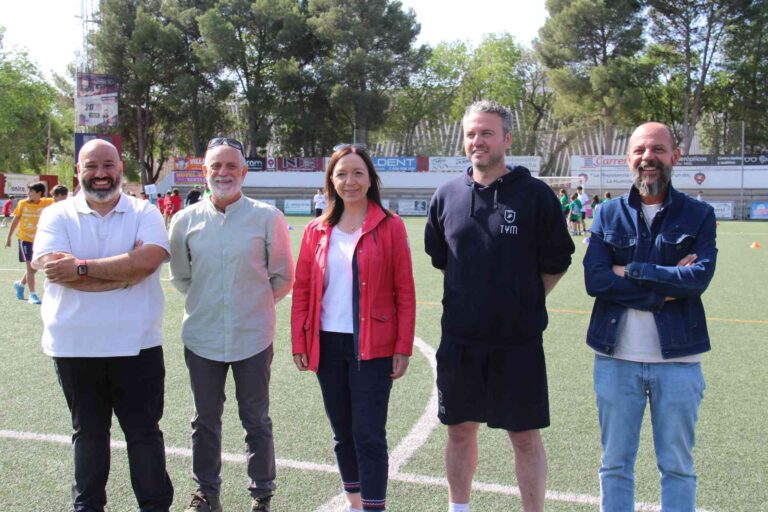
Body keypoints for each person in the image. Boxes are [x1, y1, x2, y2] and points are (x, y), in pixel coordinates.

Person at [424, 100, 574, 512]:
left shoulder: (536, 195)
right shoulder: (446, 195)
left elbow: (556, 262)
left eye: (487, 133)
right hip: (460, 340)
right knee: (459, 431)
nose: (478, 141)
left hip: (518, 342)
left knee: (524, 437)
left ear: (507, 139)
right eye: (471, 134)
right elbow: (443, 259)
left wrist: (522, 300)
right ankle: (459, 508)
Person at [31, 139, 174, 512]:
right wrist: (126, 273)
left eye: (108, 165)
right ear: (77, 170)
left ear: (120, 168)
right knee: (89, 434)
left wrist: (81, 267)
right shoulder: (56, 214)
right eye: (91, 166)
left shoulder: (144, 211)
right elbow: (55, 270)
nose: (100, 174)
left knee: (144, 434)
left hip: (137, 344)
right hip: (74, 346)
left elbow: (149, 261)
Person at [583, 122, 717, 512]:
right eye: (640, 150)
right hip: (615, 360)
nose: (648, 158)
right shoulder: (607, 213)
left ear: (675, 156)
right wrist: (664, 287)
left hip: (678, 362)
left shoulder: (699, 214)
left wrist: (631, 271)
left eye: (658, 149)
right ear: (628, 158)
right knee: (615, 465)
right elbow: (596, 280)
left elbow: (698, 278)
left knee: (677, 467)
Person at [169, 136, 294, 512]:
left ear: (243, 172)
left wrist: (251, 306)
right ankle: (206, 493)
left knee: (256, 419)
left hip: (253, 336)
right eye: (216, 166)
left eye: (231, 166)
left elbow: (283, 276)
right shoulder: (184, 220)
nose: (223, 173)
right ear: (204, 172)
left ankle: (262, 494)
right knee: (204, 419)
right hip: (201, 336)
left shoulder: (267, 218)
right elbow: (181, 277)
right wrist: (213, 303)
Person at [291, 144, 416, 512]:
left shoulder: (390, 226)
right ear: (331, 181)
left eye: (358, 173)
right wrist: (299, 340)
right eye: (342, 174)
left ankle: (374, 507)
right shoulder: (316, 229)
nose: (350, 181)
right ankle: (355, 503)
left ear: (370, 179)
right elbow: (302, 288)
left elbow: (405, 292)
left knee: (369, 435)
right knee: (342, 433)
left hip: (374, 346)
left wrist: (403, 346)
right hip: (327, 345)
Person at [5, 181, 54, 304]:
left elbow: (61, 199)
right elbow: (16, 220)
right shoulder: (22, 203)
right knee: (30, 266)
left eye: (31, 191)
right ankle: (32, 294)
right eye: (29, 191)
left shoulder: (48, 202)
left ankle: (20, 284)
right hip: (25, 239)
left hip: (41, 240)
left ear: (39, 193)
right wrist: (9, 237)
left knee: (34, 267)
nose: (29, 193)